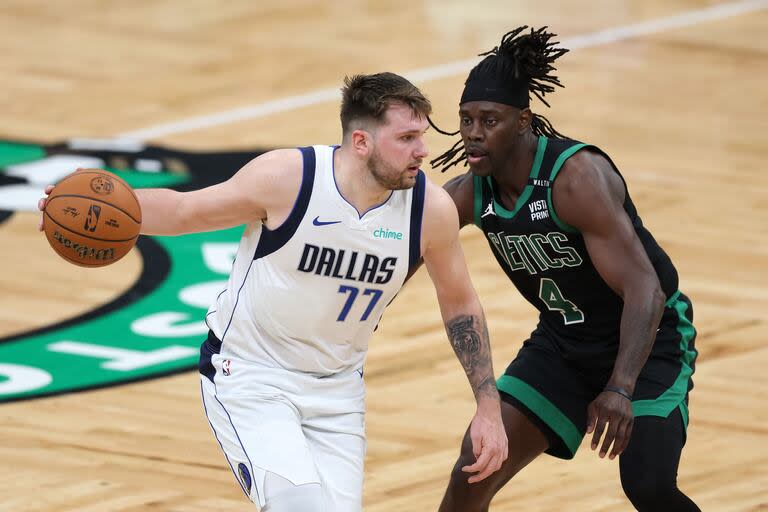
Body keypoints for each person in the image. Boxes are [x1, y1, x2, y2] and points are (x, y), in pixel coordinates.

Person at [38, 72, 508, 511]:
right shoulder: (290, 177)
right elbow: (184, 212)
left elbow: (460, 304)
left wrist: (488, 406)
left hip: (338, 390)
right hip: (252, 376)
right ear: (361, 141)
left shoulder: (430, 209)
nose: (422, 150)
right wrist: (96, 209)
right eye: (407, 138)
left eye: (422, 136)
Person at [431, 27, 700, 511]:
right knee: (473, 470)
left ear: (523, 122)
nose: (473, 132)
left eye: (489, 120)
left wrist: (620, 387)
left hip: (649, 341)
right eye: (466, 120)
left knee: (648, 485)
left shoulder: (575, 179)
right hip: (564, 345)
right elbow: (396, 259)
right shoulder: (467, 193)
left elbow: (646, 289)